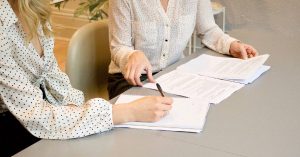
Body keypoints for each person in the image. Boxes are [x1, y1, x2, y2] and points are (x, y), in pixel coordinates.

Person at [0, 0, 173, 156]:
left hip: (41, 111)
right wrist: (127, 112)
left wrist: (78, 110)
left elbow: (53, 78)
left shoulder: (34, 8)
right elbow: (35, 115)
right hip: (15, 124)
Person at [108, 0, 259, 99]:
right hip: (131, 81)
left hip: (174, 75)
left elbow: (208, 30)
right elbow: (119, 47)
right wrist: (132, 55)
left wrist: (231, 45)